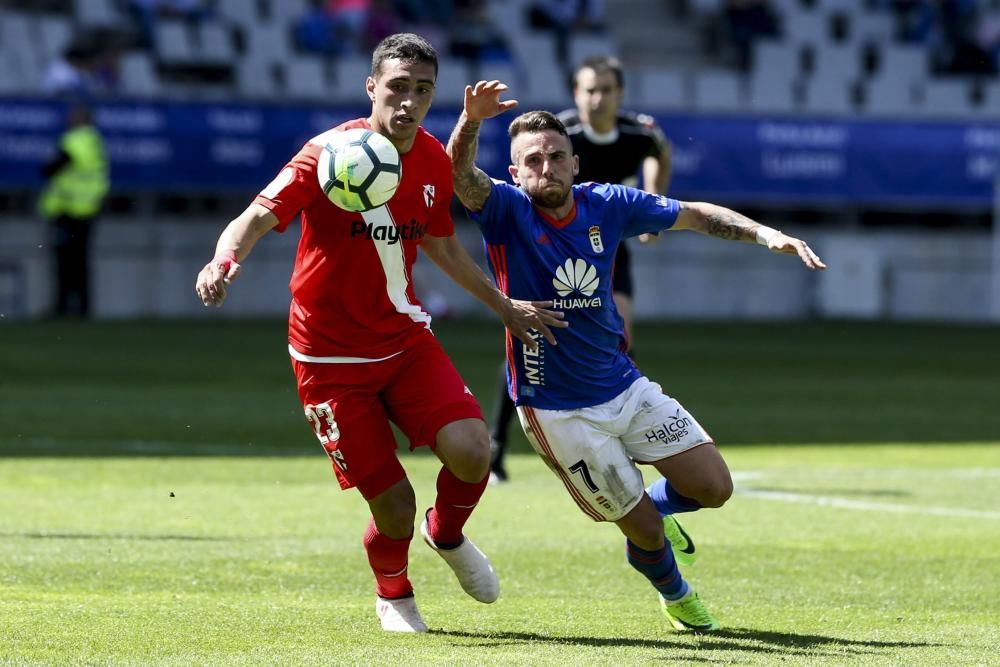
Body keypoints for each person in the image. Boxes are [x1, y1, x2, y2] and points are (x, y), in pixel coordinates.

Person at [194, 35, 564, 634]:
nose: (409, 101)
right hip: (327, 359)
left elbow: (442, 243)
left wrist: (502, 305)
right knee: (393, 508)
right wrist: (223, 263)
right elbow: (256, 216)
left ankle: (446, 534)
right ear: (371, 88)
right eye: (398, 87)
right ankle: (393, 592)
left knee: (473, 451)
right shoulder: (327, 154)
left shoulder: (432, 164)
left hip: (403, 339)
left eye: (423, 91)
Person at [447, 82, 826, 632]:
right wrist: (471, 121)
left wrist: (769, 236)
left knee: (714, 488)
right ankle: (678, 595)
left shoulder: (609, 203)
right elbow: (462, 176)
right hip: (557, 410)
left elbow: (693, 214)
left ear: (575, 163)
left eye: (556, 156)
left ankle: (650, 510)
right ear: (515, 173)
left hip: (623, 384)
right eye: (533, 160)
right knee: (645, 533)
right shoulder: (504, 210)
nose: (547, 167)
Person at [487, 55, 671, 483]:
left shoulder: (637, 132)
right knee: (529, 338)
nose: (597, 98)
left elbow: (661, 150)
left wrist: (655, 198)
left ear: (619, 94)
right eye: (589, 89)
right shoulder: (560, 134)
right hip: (545, 249)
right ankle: (496, 446)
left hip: (605, 251)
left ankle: (627, 437)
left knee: (620, 333)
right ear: (576, 94)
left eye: (606, 89)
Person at [39, 103, 110, 318]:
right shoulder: (95, 142)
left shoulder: (74, 140)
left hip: (69, 211)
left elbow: (52, 168)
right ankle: (82, 309)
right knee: (81, 263)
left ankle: (62, 308)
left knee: (65, 264)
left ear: (80, 119)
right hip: (88, 210)